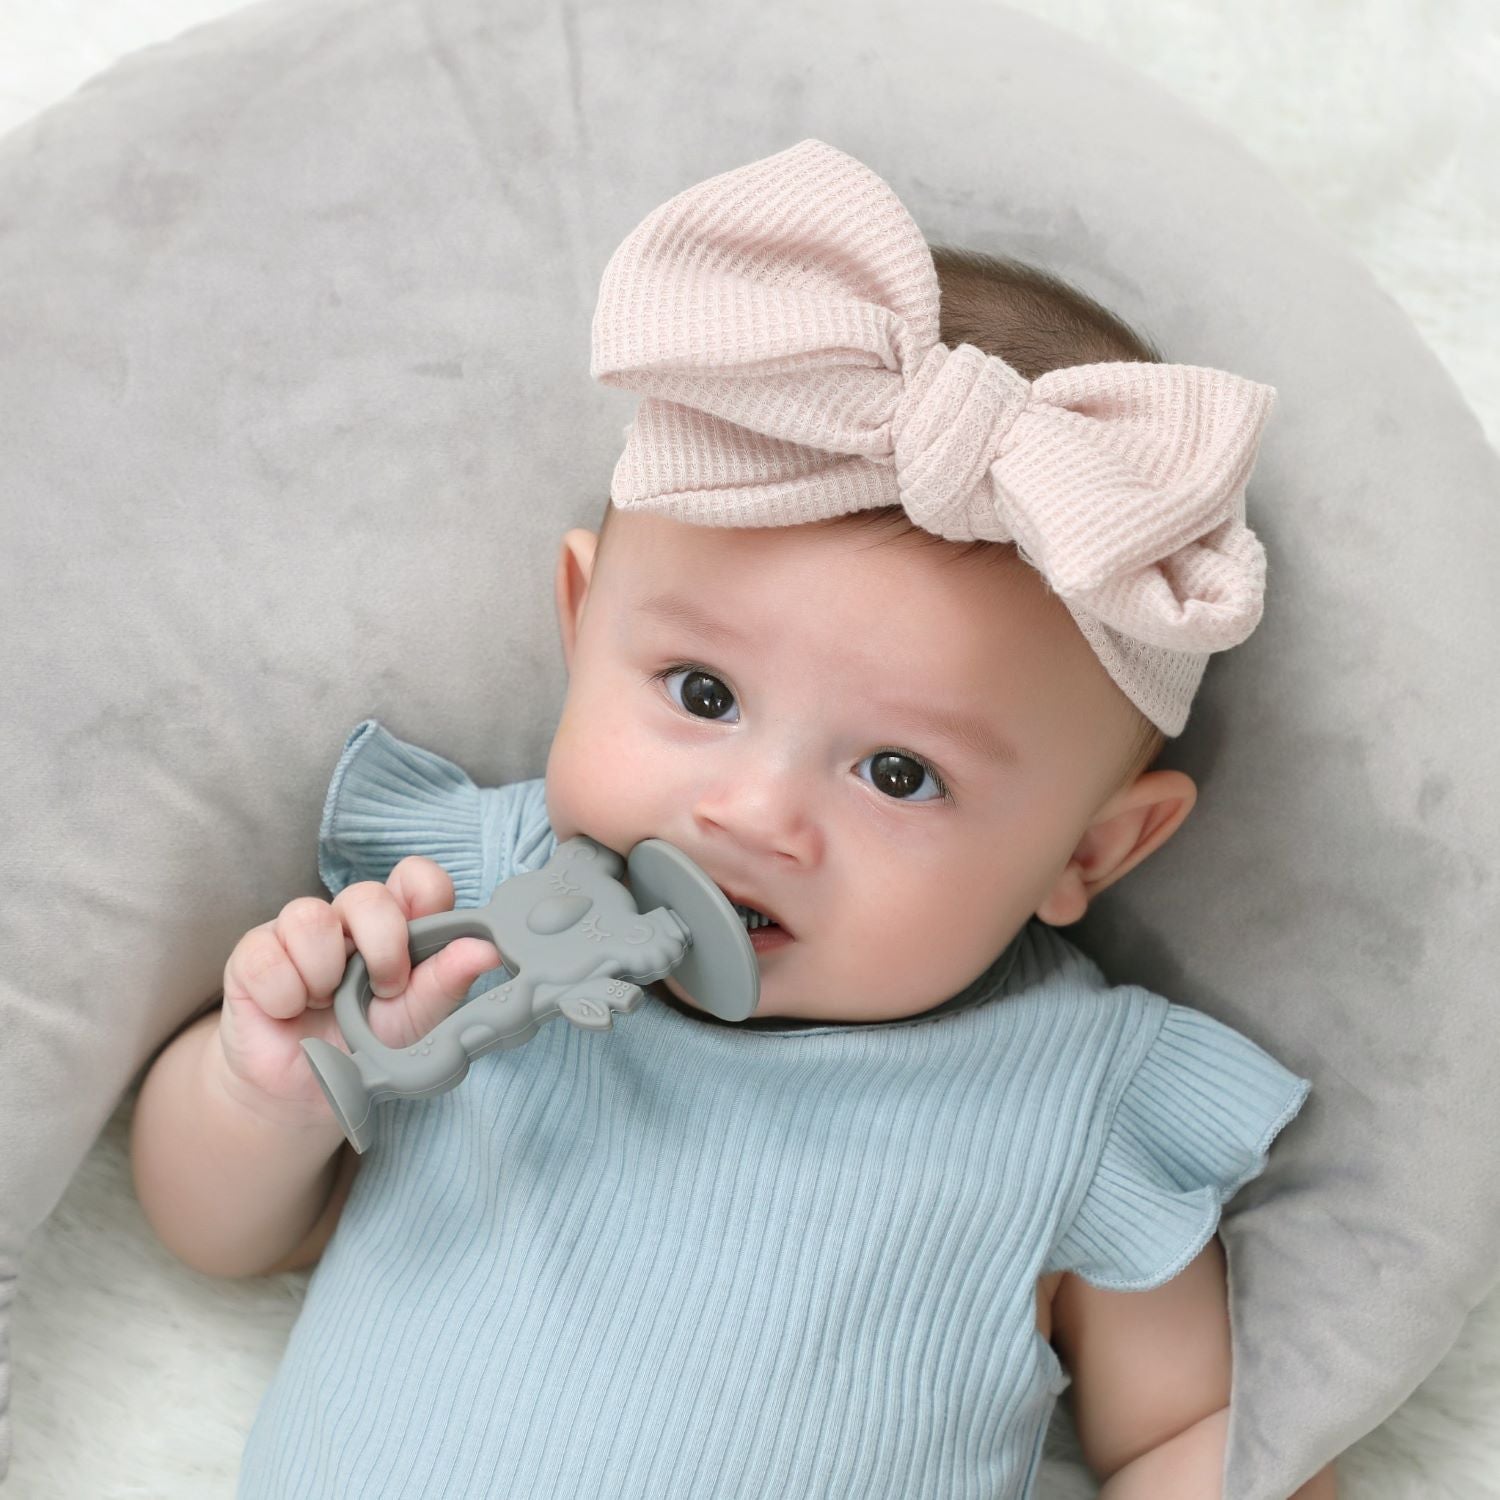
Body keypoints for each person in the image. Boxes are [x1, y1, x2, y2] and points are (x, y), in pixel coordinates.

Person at [130, 140, 1337, 1498]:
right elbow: (220, 1235)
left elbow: (1187, 1435)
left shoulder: (1072, 1096)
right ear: (582, 630)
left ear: (1089, 852)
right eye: (702, 692)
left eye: (898, 775)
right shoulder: (458, 920)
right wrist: (267, 1093)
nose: (752, 813)